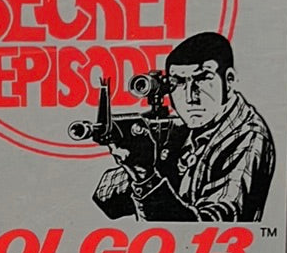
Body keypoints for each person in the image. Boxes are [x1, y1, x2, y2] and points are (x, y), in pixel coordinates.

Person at [93, 31, 275, 222]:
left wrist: (145, 175)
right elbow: (106, 199)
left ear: (229, 81)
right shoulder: (187, 130)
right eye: (178, 82)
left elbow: (209, 226)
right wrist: (137, 158)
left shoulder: (247, 136)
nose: (190, 97)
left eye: (202, 79)